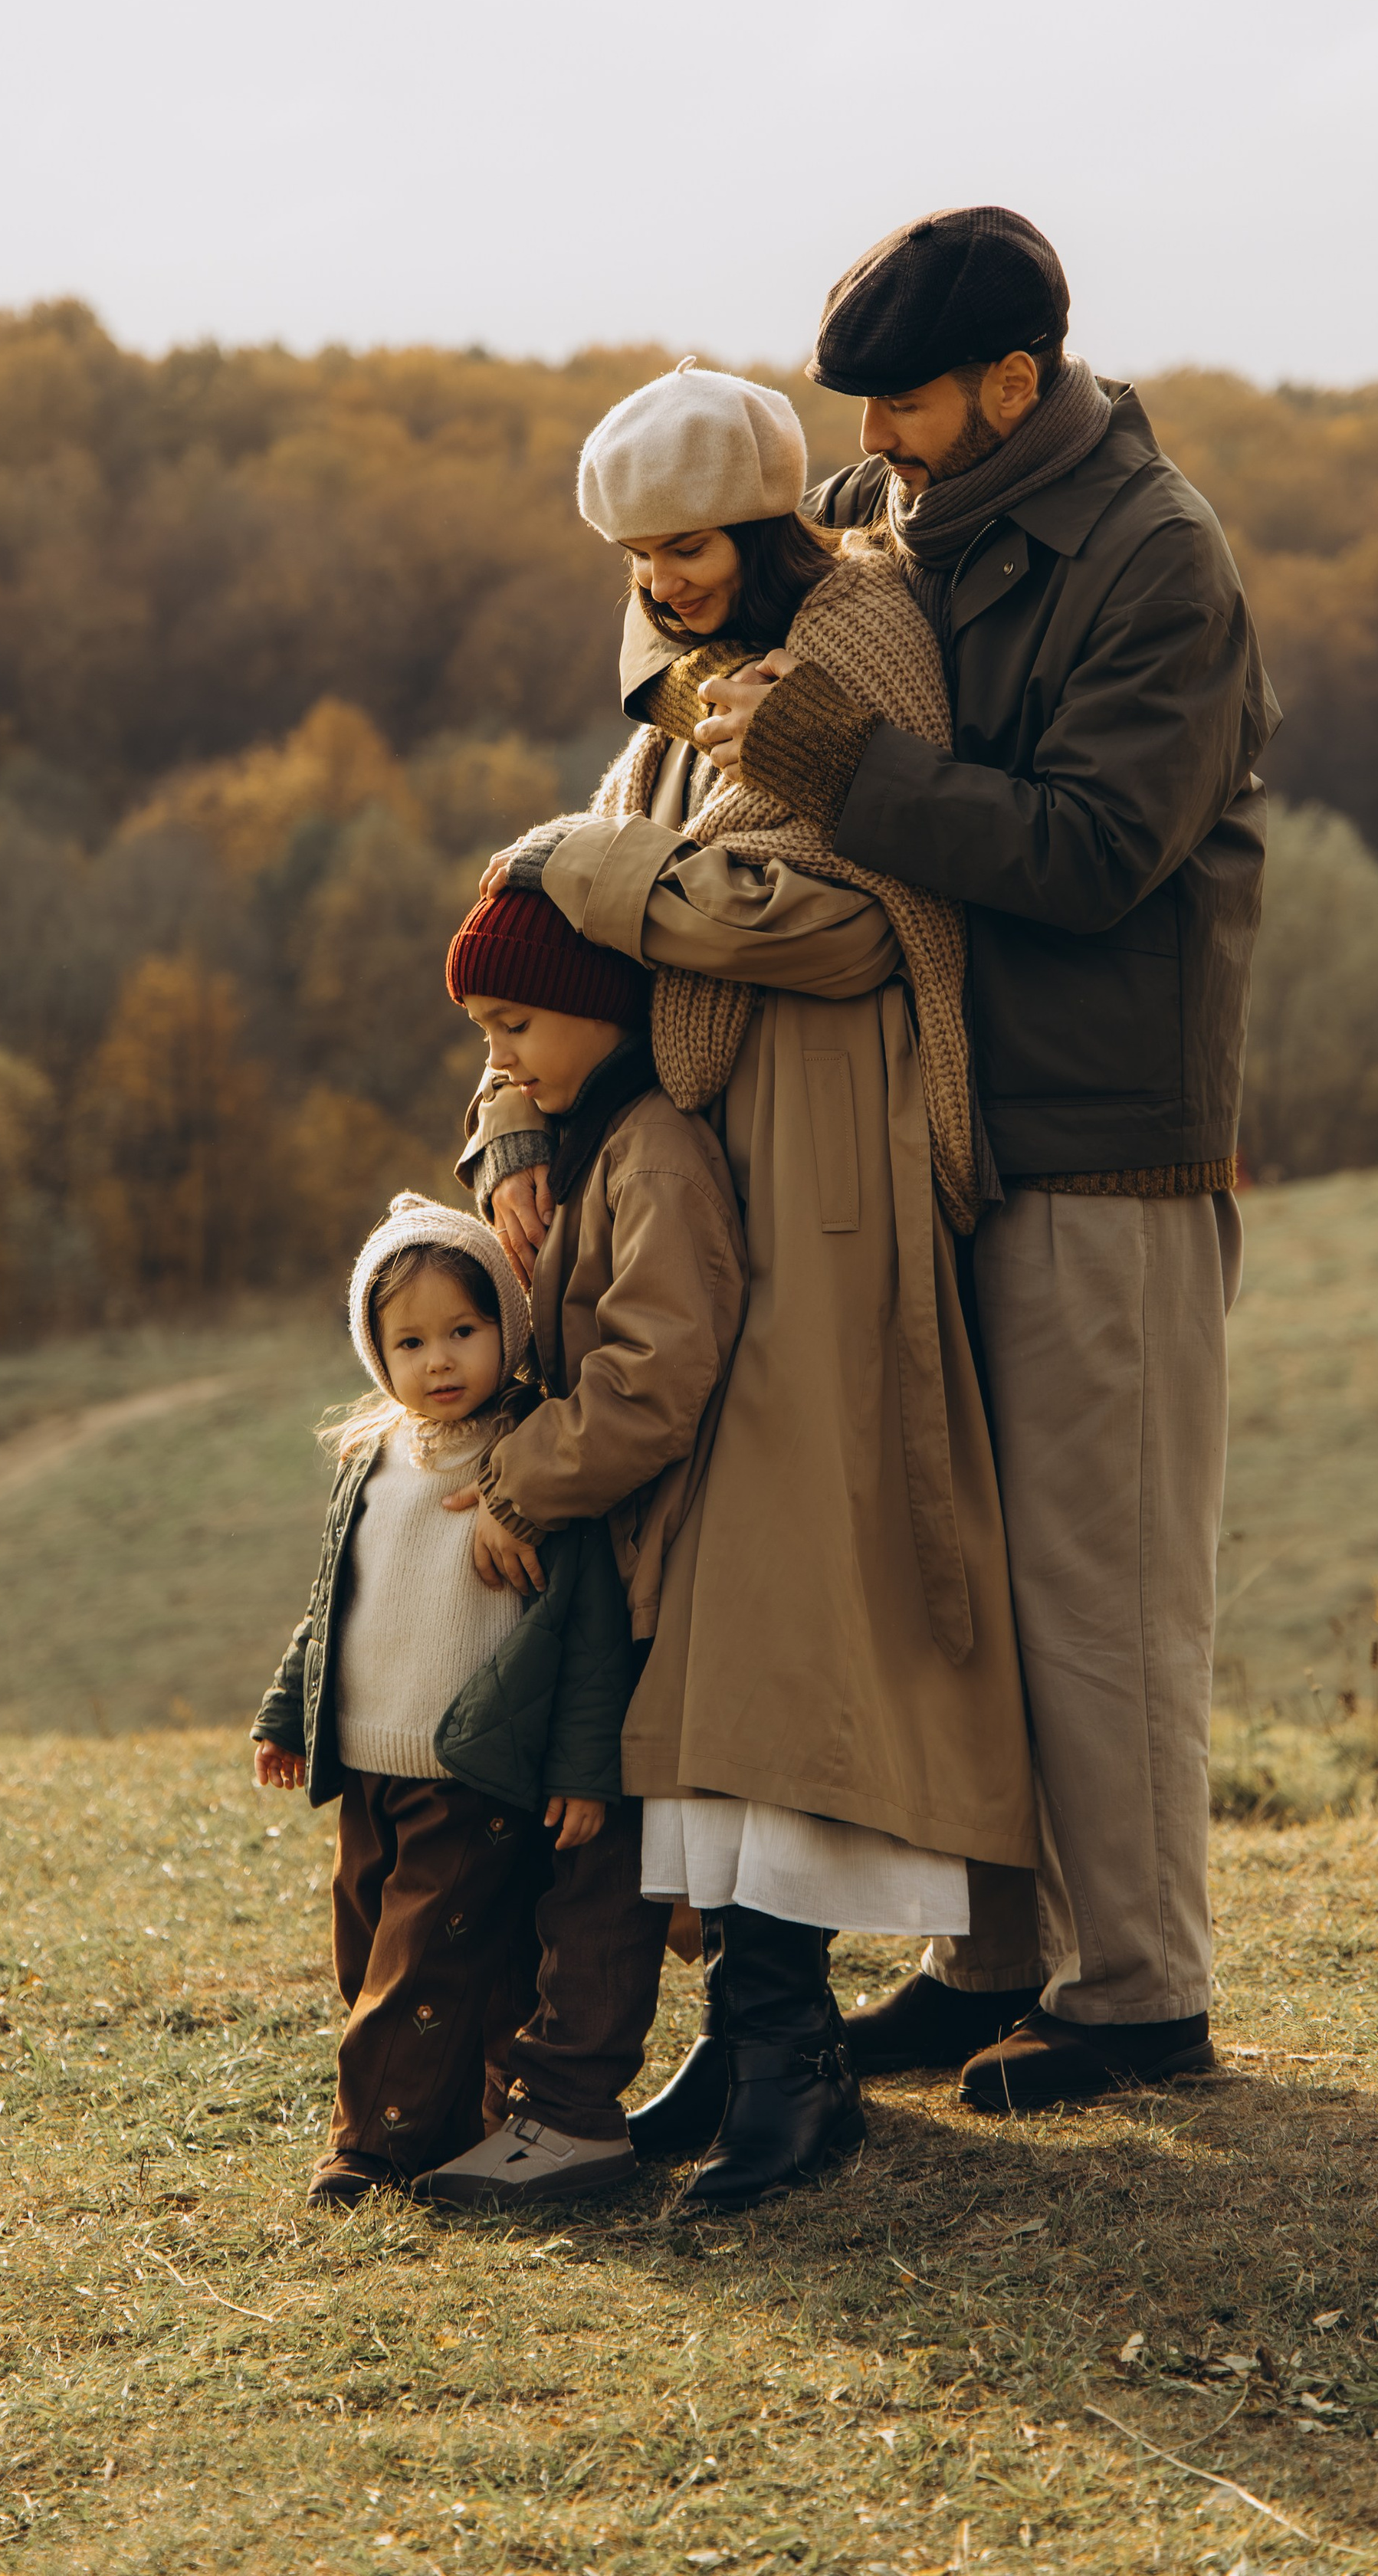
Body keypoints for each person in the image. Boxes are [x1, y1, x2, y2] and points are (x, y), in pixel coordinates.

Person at [678, 208, 1281, 2112]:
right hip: (942, 1125)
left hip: (1102, 1145)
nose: (879, 443)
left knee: (1095, 1591)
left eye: (912, 404)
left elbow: (1101, 850)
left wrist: (833, 766)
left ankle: (1137, 1996)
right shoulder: (906, 498)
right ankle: (989, 1957)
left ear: (1013, 383)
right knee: (967, 1571)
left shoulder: (1158, 564)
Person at [469, 362, 1036, 2212]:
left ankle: (796, 2050)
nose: (665, 578)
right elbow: (553, 924)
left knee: (788, 1594)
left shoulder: (862, 641)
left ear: (771, 524)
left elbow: (851, 916)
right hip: (708, 1176)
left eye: (693, 545)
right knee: (702, 1606)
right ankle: (753, 2028)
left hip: (835, 1172)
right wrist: (515, 1123)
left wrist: (599, 867)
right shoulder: (665, 679)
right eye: (637, 553)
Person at [425, 886, 750, 2205]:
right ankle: (529, 2089)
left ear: (603, 1009)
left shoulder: (655, 1151)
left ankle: (572, 2114)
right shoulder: (577, 1140)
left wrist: (517, 1486)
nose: (496, 1059)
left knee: (598, 1847)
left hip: (641, 1557)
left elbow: (655, 1372)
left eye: (515, 1024)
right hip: (591, 1559)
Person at [252, 1198, 640, 2207]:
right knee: (377, 1945)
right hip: (370, 1762)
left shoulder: (528, 1458)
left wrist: (584, 1774)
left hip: (475, 1769)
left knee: (426, 1955)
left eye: (462, 1332)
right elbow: (335, 1600)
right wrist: (290, 1710)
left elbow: (590, 1637)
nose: (439, 1361)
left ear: (505, 1327)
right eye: (410, 1340)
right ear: (376, 1353)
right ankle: (468, 2119)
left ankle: (370, 2149)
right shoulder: (374, 1458)